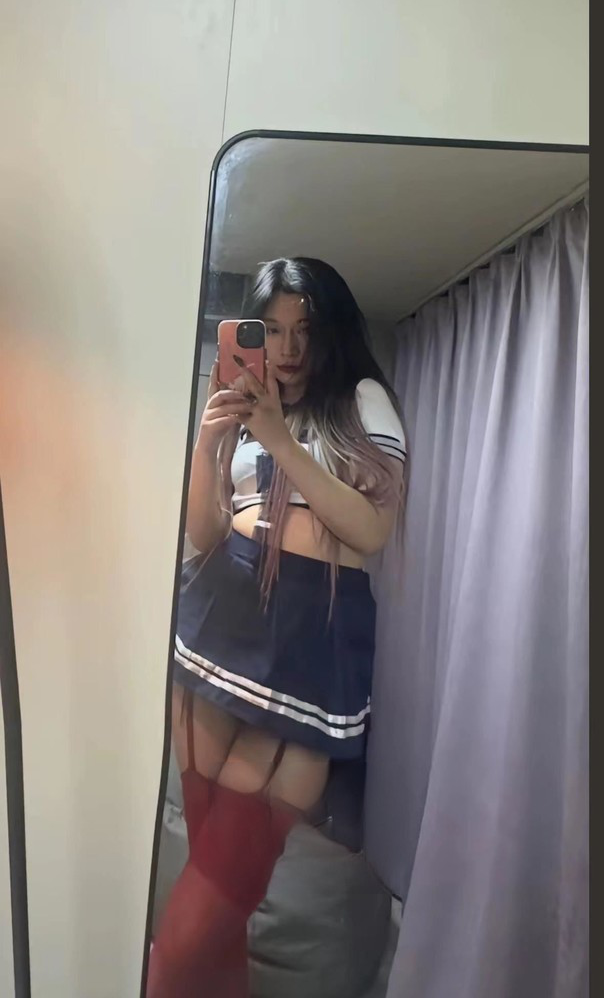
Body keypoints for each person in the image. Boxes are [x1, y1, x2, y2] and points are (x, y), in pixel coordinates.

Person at [147, 257, 407, 997]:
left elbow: (371, 530)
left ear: (333, 333)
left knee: (206, 911)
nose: (288, 349)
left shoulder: (361, 401)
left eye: (305, 330)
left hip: (309, 648)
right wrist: (209, 441)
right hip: (218, 626)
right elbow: (205, 535)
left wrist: (283, 441)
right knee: (215, 907)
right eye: (273, 330)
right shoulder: (244, 403)